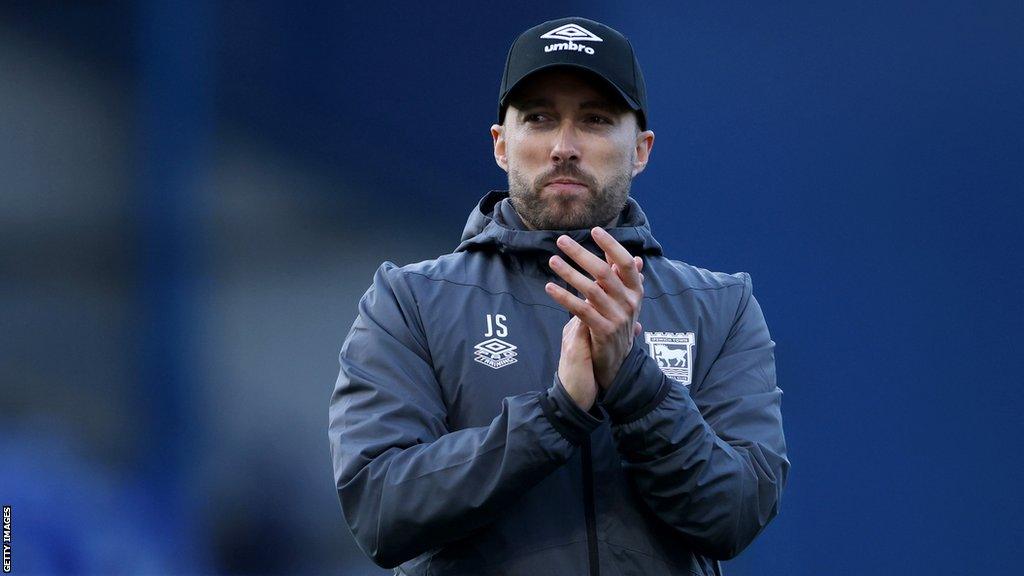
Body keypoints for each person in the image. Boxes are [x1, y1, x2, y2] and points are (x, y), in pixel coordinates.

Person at [329, 16, 789, 576]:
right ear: (501, 144)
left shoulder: (721, 307)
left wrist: (634, 384)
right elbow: (380, 512)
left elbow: (736, 514)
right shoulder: (408, 300)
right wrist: (556, 415)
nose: (564, 147)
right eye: (540, 118)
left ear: (641, 149)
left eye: (595, 120)